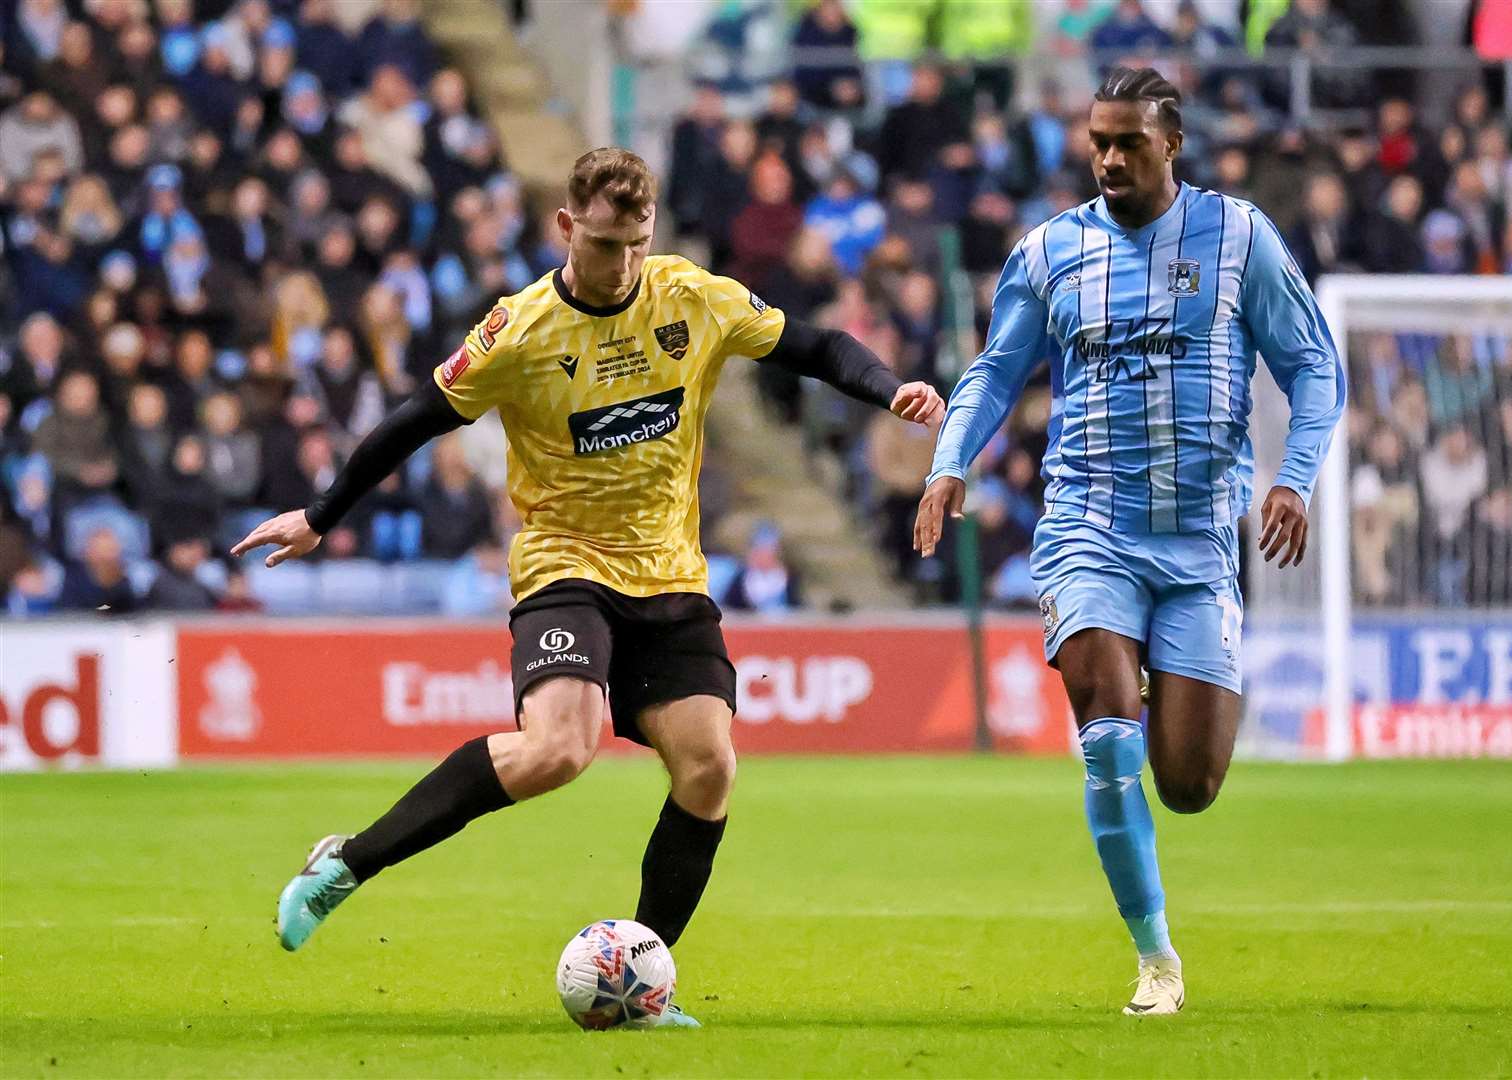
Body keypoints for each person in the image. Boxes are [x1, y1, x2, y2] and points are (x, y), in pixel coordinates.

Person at [234, 148, 944, 1027]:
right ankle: (347, 861)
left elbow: (814, 344)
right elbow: (416, 419)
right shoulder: (518, 331)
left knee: (709, 768)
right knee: (558, 750)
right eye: (607, 245)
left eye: (637, 244)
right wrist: (322, 514)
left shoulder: (691, 296)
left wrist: (889, 389)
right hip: (564, 563)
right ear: (568, 228)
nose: (623, 266)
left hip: (671, 577)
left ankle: (642, 984)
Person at [914, 68, 1345, 1016]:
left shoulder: (1236, 239)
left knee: (1187, 785)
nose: (1109, 158)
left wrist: (1293, 477)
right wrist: (949, 463)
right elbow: (993, 373)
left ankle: (1165, 674)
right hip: (1087, 528)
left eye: (1129, 143)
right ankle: (1155, 959)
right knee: (1107, 732)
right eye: (1097, 142)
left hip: (1197, 543)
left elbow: (1313, 368)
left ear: (1171, 144)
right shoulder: (1050, 251)